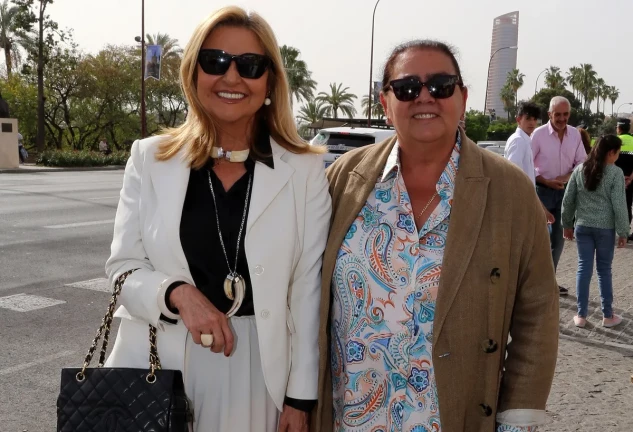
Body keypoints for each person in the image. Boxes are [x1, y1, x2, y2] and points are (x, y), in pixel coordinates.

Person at [104, 7, 331, 432]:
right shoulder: (150, 158)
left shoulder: (303, 171)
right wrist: (177, 294)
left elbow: (307, 292)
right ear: (193, 74)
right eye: (215, 61)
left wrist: (299, 399)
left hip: (259, 377)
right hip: (157, 372)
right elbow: (121, 272)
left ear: (269, 83)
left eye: (249, 65)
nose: (231, 77)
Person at [313, 39, 558, 432]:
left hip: (456, 417)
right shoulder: (343, 179)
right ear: (385, 102)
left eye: (441, 85)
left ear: (462, 97)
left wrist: (517, 418)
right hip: (352, 419)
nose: (424, 97)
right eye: (407, 87)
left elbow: (538, 310)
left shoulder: (509, 190)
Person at [562, 135, 629, 328]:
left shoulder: (579, 170)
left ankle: (581, 316)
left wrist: (567, 224)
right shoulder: (615, 173)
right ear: (611, 153)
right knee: (604, 271)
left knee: (583, 269)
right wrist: (623, 231)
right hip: (605, 229)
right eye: (617, 152)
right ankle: (608, 316)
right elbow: (619, 205)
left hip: (582, 226)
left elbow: (568, 200)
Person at [531, 96, 587, 295]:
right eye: (558, 115)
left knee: (559, 242)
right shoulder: (537, 135)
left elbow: (582, 163)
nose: (562, 119)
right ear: (549, 115)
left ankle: (548, 282)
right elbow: (526, 166)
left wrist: (567, 176)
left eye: (566, 114)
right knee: (540, 243)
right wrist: (545, 181)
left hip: (565, 194)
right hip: (542, 194)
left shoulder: (575, 135)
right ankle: (535, 284)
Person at [504, 101, 555, 224]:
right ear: (518, 119)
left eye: (534, 119)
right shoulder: (518, 141)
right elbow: (514, 176)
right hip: (519, 207)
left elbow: (528, 178)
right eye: (528, 118)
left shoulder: (525, 141)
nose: (532, 122)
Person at [615, 118, 633, 241]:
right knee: (629, 204)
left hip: (618, 178)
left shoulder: (615, 142)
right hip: (632, 178)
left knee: (621, 204)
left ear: (619, 128)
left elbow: (611, 161)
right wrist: (631, 177)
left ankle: (621, 231)